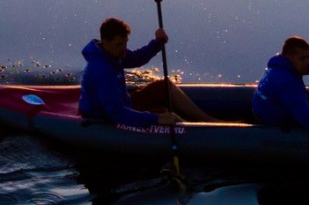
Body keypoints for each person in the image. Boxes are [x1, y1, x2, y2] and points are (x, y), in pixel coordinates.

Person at [79, 17, 216, 127]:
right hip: (105, 117)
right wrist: (156, 118)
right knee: (166, 115)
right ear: (105, 41)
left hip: (124, 103)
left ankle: (211, 123)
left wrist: (157, 43)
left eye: (125, 43)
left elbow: (136, 58)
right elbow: (116, 113)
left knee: (164, 86)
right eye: (119, 44)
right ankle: (202, 132)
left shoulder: (111, 53)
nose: (123, 48)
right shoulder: (101, 70)